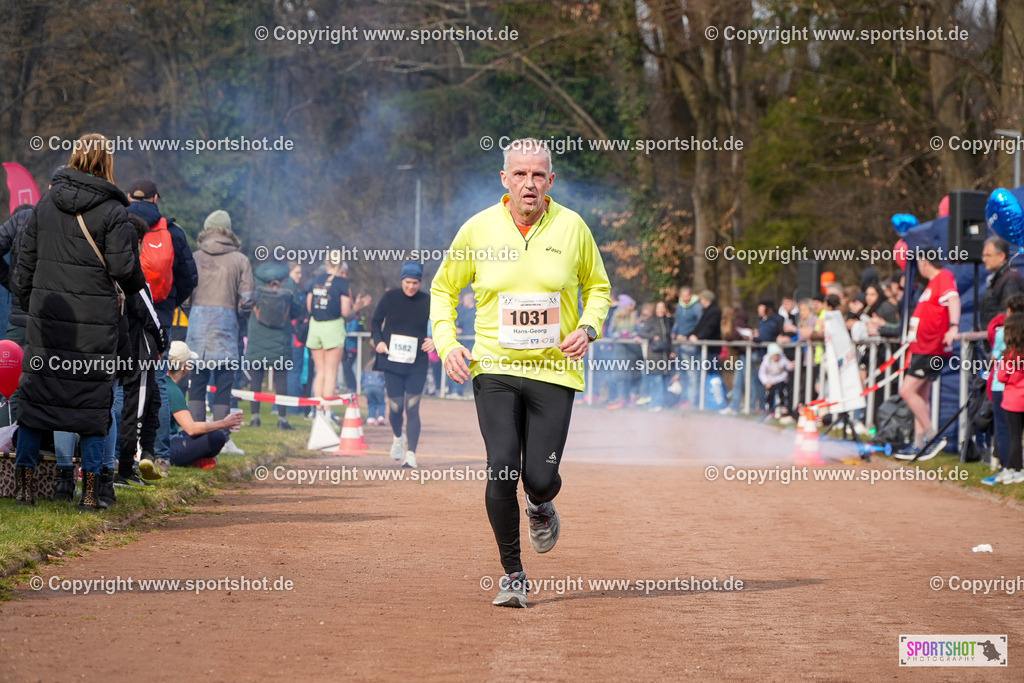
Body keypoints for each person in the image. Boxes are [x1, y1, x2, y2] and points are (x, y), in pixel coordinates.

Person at [431, 138, 611, 608]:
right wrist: (449, 344)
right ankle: (513, 574)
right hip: (494, 367)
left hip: (554, 372)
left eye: (538, 175)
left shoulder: (573, 228)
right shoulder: (477, 230)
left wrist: (589, 328)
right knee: (502, 465)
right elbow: (443, 290)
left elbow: (599, 288)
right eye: (520, 174)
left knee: (539, 477)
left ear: (550, 181)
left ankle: (540, 503)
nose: (528, 183)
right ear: (504, 180)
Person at [12, 133, 146, 509]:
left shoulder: (44, 204)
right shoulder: (113, 211)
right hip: (94, 326)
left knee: (36, 403)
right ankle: (90, 495)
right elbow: (122, 268)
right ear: (107, 163)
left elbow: (24, 267)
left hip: (47, 321)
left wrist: (34, 305)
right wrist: (138, 283)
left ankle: (25, 490)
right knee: (91, 407)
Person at [126, 178, 197, 474]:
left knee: (122, 381)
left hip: (126, 310)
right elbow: (189, 277)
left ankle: (121, 455)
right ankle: (160, 455)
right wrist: (167, 302)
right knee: (157, 380)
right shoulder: (173, 232)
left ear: (129, 196)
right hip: (161, 314)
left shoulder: (119, 224)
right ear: (156, 198)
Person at [185, 210, 254, 455]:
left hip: (197, 327)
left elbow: (184, 293)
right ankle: (222, 439)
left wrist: (192, 311)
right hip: (226, 326)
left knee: (197, 382)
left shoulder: (193, 257)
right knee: (224, 384)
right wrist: (239, 317)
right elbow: (247, 300)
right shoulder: (240, 259)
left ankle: (195, 436)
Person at [116, 214, 168, 486]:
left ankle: (146, 453)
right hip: (139, 349)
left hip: (125, 347)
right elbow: (148, 312)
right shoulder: (130, 270)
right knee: (135, 410)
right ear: (136, 242)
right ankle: (125, 468)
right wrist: (162, 340)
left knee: (153, 401)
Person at [896, 256, 959, 460]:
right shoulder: (932, 284)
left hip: (930, 349)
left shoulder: (944, 277)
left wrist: (954, 326)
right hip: (921, 348)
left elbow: (954, 299)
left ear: (925, 262)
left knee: (907, 391)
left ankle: (933, 436)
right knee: (920, 396)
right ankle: (918, 444)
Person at [371, 260, 433, 468]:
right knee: (396, 407)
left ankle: (412, 455)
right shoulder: (390, 297)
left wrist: (435, 340)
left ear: (420, 282)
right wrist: (378, 341)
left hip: (417, 363)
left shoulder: (427, 300)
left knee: (412, 407)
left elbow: (442, 322)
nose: (411, 286)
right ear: (402, 280)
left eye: (415, 283)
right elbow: (375, 321)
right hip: (392, 360)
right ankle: (398, 436)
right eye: (408, 282)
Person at [165, 341, 243, 466]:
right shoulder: (172, 389)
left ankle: (194, 460)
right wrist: (224, 423)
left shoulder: (158, 381)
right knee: (217, 437)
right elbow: (191, 428)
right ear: (185, 367)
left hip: (154, 442)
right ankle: (189, 461)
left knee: (202, 433)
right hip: (166, 446)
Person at [246, 261, 297, 430]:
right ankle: (282, 419)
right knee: (281, 378)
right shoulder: (288, 283)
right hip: (281, 338)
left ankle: (255, 418)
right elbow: (298, 310)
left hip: (257, 335)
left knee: (256, 378)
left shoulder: (254, 281)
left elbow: (244, 306)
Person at [994, 312, 1024, 484]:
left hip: (1013, 402)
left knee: (1014, 437)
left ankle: (1016, 469)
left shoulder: (1010, 356)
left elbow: (1002, 376)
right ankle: (1014, 468)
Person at [980, 236, 1023, 331]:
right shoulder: (997, 278)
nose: (984, 259)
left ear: (1001, 256)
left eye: (988, 255)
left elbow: (1008, 314)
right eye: (984, 255)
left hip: (1003, 340)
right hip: (993, 338)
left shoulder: (1010, 278)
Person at [638, 300, 673, 411]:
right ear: (655, 309)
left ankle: (660, 403)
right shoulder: (651, 320)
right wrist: (653, 336)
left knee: (664, 380)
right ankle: (655, 404)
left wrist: (672, 350)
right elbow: (642, 333)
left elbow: (669, 338)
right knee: (656, 380)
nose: (661, 309)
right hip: (654, 355)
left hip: (665, 355)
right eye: (659, 307)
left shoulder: (668, 321)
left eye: (663, 307)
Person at [671, 285, 702, 407]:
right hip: (679, 343)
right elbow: (677, 322)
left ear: (690, 295)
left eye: (686, 296)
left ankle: (692, 399)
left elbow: (699, 324)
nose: (684, 298)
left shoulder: (696, 307)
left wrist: (689, 335)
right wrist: (674, 332)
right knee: (681, 372)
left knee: (691, 373)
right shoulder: (679, 306)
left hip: (690, 344)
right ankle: (682, 398)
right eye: (682, 296)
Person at [758, 342, 794, 418]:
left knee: (782, 392)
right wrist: (766, 382)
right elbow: (761, 373)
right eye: (774, 355)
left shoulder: (782, 359)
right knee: (770, 394)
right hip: (770, 381)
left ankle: (782, 407)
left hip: (781, 379)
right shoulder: (766, 361)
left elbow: (788, 366)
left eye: (777, 355)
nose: (776, 357)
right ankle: (770, 410)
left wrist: (792, 365)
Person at [361, 350, 387, 425]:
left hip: (367, 388)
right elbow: (384, 380)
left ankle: (371, 418)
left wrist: (363, 387)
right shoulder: (381, 370)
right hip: (378, 387)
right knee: (381, 403)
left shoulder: (367, 369)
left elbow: (362, 379)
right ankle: (381, 417)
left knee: (371, 403)